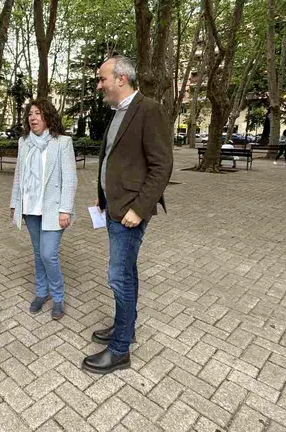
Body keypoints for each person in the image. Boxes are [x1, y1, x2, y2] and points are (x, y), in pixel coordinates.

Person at [82, 56, 173, 374]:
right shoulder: (119, 112)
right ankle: (126, 328)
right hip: (115, 207)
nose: (99, 85)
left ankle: (120, 350)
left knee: (118, 276)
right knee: (127, 274)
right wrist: (104, 193)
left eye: (102, 78)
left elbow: (162, 165)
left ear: (121, 78)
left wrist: (139, 208)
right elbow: (116, 158)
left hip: (130, 213)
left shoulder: (149, 109)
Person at [9, 99, 78, 320]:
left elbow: (70, 178)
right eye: (30, 114)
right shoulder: (24, 142)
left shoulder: (62, 142)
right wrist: (15, 204)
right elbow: (19, 175)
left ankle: (57, 296)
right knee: (39, 254)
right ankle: (41, 292)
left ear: (47, 116)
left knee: (49, 254)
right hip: (30, 208)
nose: (33, 117)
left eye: (38, 113)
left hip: (54, 209)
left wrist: (65, 209)